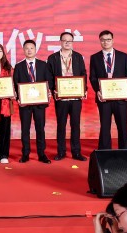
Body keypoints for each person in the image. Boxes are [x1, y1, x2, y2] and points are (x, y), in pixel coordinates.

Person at [89, 30, 127, 150]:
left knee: (122, 126)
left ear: (113, 40)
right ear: (100, 41)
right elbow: (92, 77)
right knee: (105, 126)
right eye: (103, 40)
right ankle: (104, 152)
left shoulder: (123, 56)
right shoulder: (95, 57)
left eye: (108, 39)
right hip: (104, 98)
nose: (106, 42)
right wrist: (97, 91)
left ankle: (125, 151)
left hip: (121, 97)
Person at [47, 31, 88, 162]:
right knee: (61, 125)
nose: (67, 43)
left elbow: (83, 74)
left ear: (72, 42)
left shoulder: (78, 57)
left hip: (76, 97)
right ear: (60, 42)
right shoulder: (53, 58)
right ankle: (61, 152)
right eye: (64, 40)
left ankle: (76, 152)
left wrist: (84, 89)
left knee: (75, 125)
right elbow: (49, 77)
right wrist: (53, 91)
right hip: (61, 98)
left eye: (69, 41)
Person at [13, 39, 53, 164]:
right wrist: (18, 98)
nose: (29, 50)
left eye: (31, 48)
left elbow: (49, 81)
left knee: (40, 129)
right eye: (27, 48)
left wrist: (48, 92)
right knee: (25, 129)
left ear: (36, 50)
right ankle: (25, 154)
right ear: (23, 50)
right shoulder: (19, 66)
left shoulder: (43, 65)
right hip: (25, 104)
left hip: (40, 103)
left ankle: (41, 154)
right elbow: (15, 84)